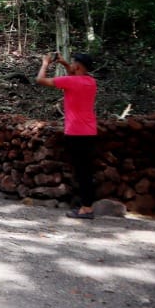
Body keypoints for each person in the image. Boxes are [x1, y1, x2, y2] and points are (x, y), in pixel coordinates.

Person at [37, 52, 99, 219]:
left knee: (81, 172)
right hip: (89, 131)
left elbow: (40, 80)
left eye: (73, 63)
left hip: (76, 132)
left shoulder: (70, 82)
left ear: (77, 66)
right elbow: (74, 73)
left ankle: (86, 208)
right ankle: (85, 205)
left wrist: (45, 63)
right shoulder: (91, 82)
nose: (70, 65)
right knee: (85, 170)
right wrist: (64, 62)